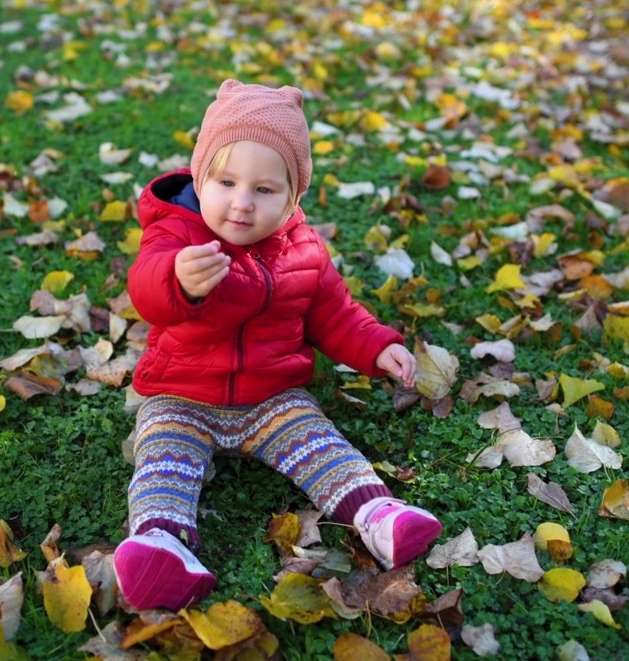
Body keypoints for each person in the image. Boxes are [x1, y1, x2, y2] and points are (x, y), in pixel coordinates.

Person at [114, 79, 443, 612]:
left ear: (294, 196)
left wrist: (378, 346)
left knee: (319, 444)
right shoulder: (177, 237)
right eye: (225, 182)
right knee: (163, 458)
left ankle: (377, 514)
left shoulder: (304, 249)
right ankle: (162, 544)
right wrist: (177, 278)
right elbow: (146, 287)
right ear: (201, 178)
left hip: (272, 397)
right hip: (181, 393)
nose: (241, 204)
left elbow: (336, 314)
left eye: (264, 190)